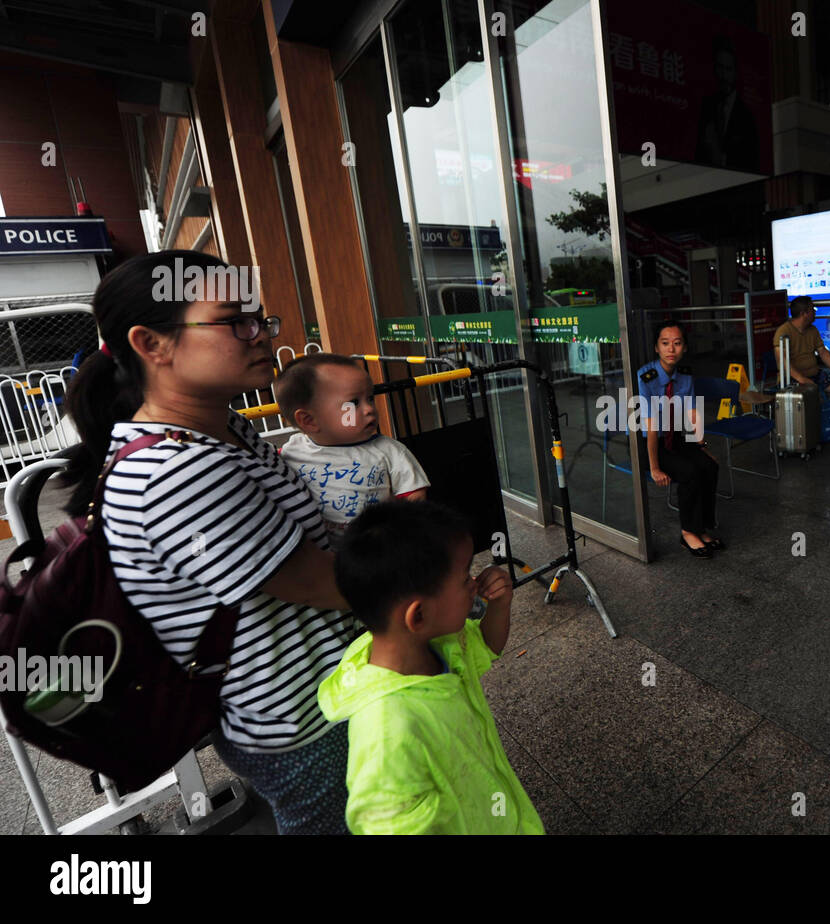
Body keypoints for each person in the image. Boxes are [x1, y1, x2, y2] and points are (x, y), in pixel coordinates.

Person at [60, 250, 356, 835]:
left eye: (260, 318)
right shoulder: (177, 470)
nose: (261, 334)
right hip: (301, 721)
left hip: (316, 693)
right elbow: (328, 585)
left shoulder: (220, 428)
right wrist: (443, 580)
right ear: (152, 344)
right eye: (234, 321)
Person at [318, 501, 544, 835]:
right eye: (464, 577)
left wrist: (499, 607)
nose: (474, 583)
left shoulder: (436, 645)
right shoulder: (388, 733)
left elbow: (486, 647)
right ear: (418, 616)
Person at [276, 352, 429, 542]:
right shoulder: (291, 451)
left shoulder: (389, 451)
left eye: (370, 398)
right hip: (319, 554)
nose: (369, 409)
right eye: (353, 403)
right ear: (309, 420)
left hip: (376, 548)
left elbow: (414, 496)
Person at [635, 321, 724, 557]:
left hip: (675, 437)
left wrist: (702, 447)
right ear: (656, 347)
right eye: (665, 344)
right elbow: (651, 428)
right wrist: (654, 468)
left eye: (677, 343)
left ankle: (702, 528)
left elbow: (692, 414)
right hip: (650, 445)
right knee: (690, 472)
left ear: (684, 347)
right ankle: (688, 533)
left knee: (709, 466)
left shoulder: (685, 376)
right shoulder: (645, 377)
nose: (671, 349)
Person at [772, 295, 830, 432]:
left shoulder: (812, 330)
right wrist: (803, 379)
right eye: (812, 309)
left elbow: (823, 352)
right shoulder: (783, 332)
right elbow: (783, 363)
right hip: (793, 379)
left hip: (815, 373)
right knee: (814, 397)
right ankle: (817, 425)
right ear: (804, 314)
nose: (815, 312)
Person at [695, 34, 759, 172]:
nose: (723, 75)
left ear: (736, 72)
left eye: (728, 69)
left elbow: (753, 162)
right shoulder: (707, 106)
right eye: (720, 67)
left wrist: (719, 157)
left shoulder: (746, 117)